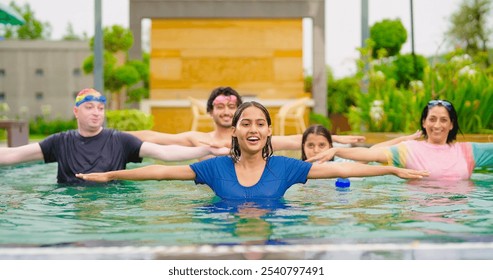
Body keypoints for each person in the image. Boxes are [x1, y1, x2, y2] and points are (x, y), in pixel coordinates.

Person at [76, 101, 429, 200]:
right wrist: (112, 174)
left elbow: (342, 170)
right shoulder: (214, 168)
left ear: (269, 130)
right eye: (245, 123)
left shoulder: (287, 167)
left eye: (260, 123)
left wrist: (391, 169)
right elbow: (159, 171)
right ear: (235, 131)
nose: (253, 129)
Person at [0, 88, 227, 184]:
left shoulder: (119, 140)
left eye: (100, 108)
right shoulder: (60, 141)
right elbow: (12, 156)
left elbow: (164, 153)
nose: (96, 113)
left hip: (112, 201)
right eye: (89, 107)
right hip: (69, 204)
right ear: (76, 111)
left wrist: (206, 150)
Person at [126, 86, 366, 160]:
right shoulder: (198, 139)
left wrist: (336, 138)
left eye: (232, 107)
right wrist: (111, 135)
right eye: (220, 107)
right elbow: (156, 136)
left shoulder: (255, 139)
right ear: (210, 111)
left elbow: (297, 140)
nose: (226, 111)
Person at [306, 100, 493, 180]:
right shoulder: (409, 149)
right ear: (424, 122)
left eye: (444, 120)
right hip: (420, 217)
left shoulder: (468, 151)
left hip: (461, 215)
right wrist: (337, 150)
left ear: (452, 124)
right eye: (432, 119)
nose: (437, 125)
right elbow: (370, 153)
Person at [301, 124, 422, 161]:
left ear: (330, 146)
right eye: (310, 145)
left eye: (322, 145)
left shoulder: (340, 164)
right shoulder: (294, 168)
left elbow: (371, 152)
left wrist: (402, 140)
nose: (316, 150)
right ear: (303, 147)